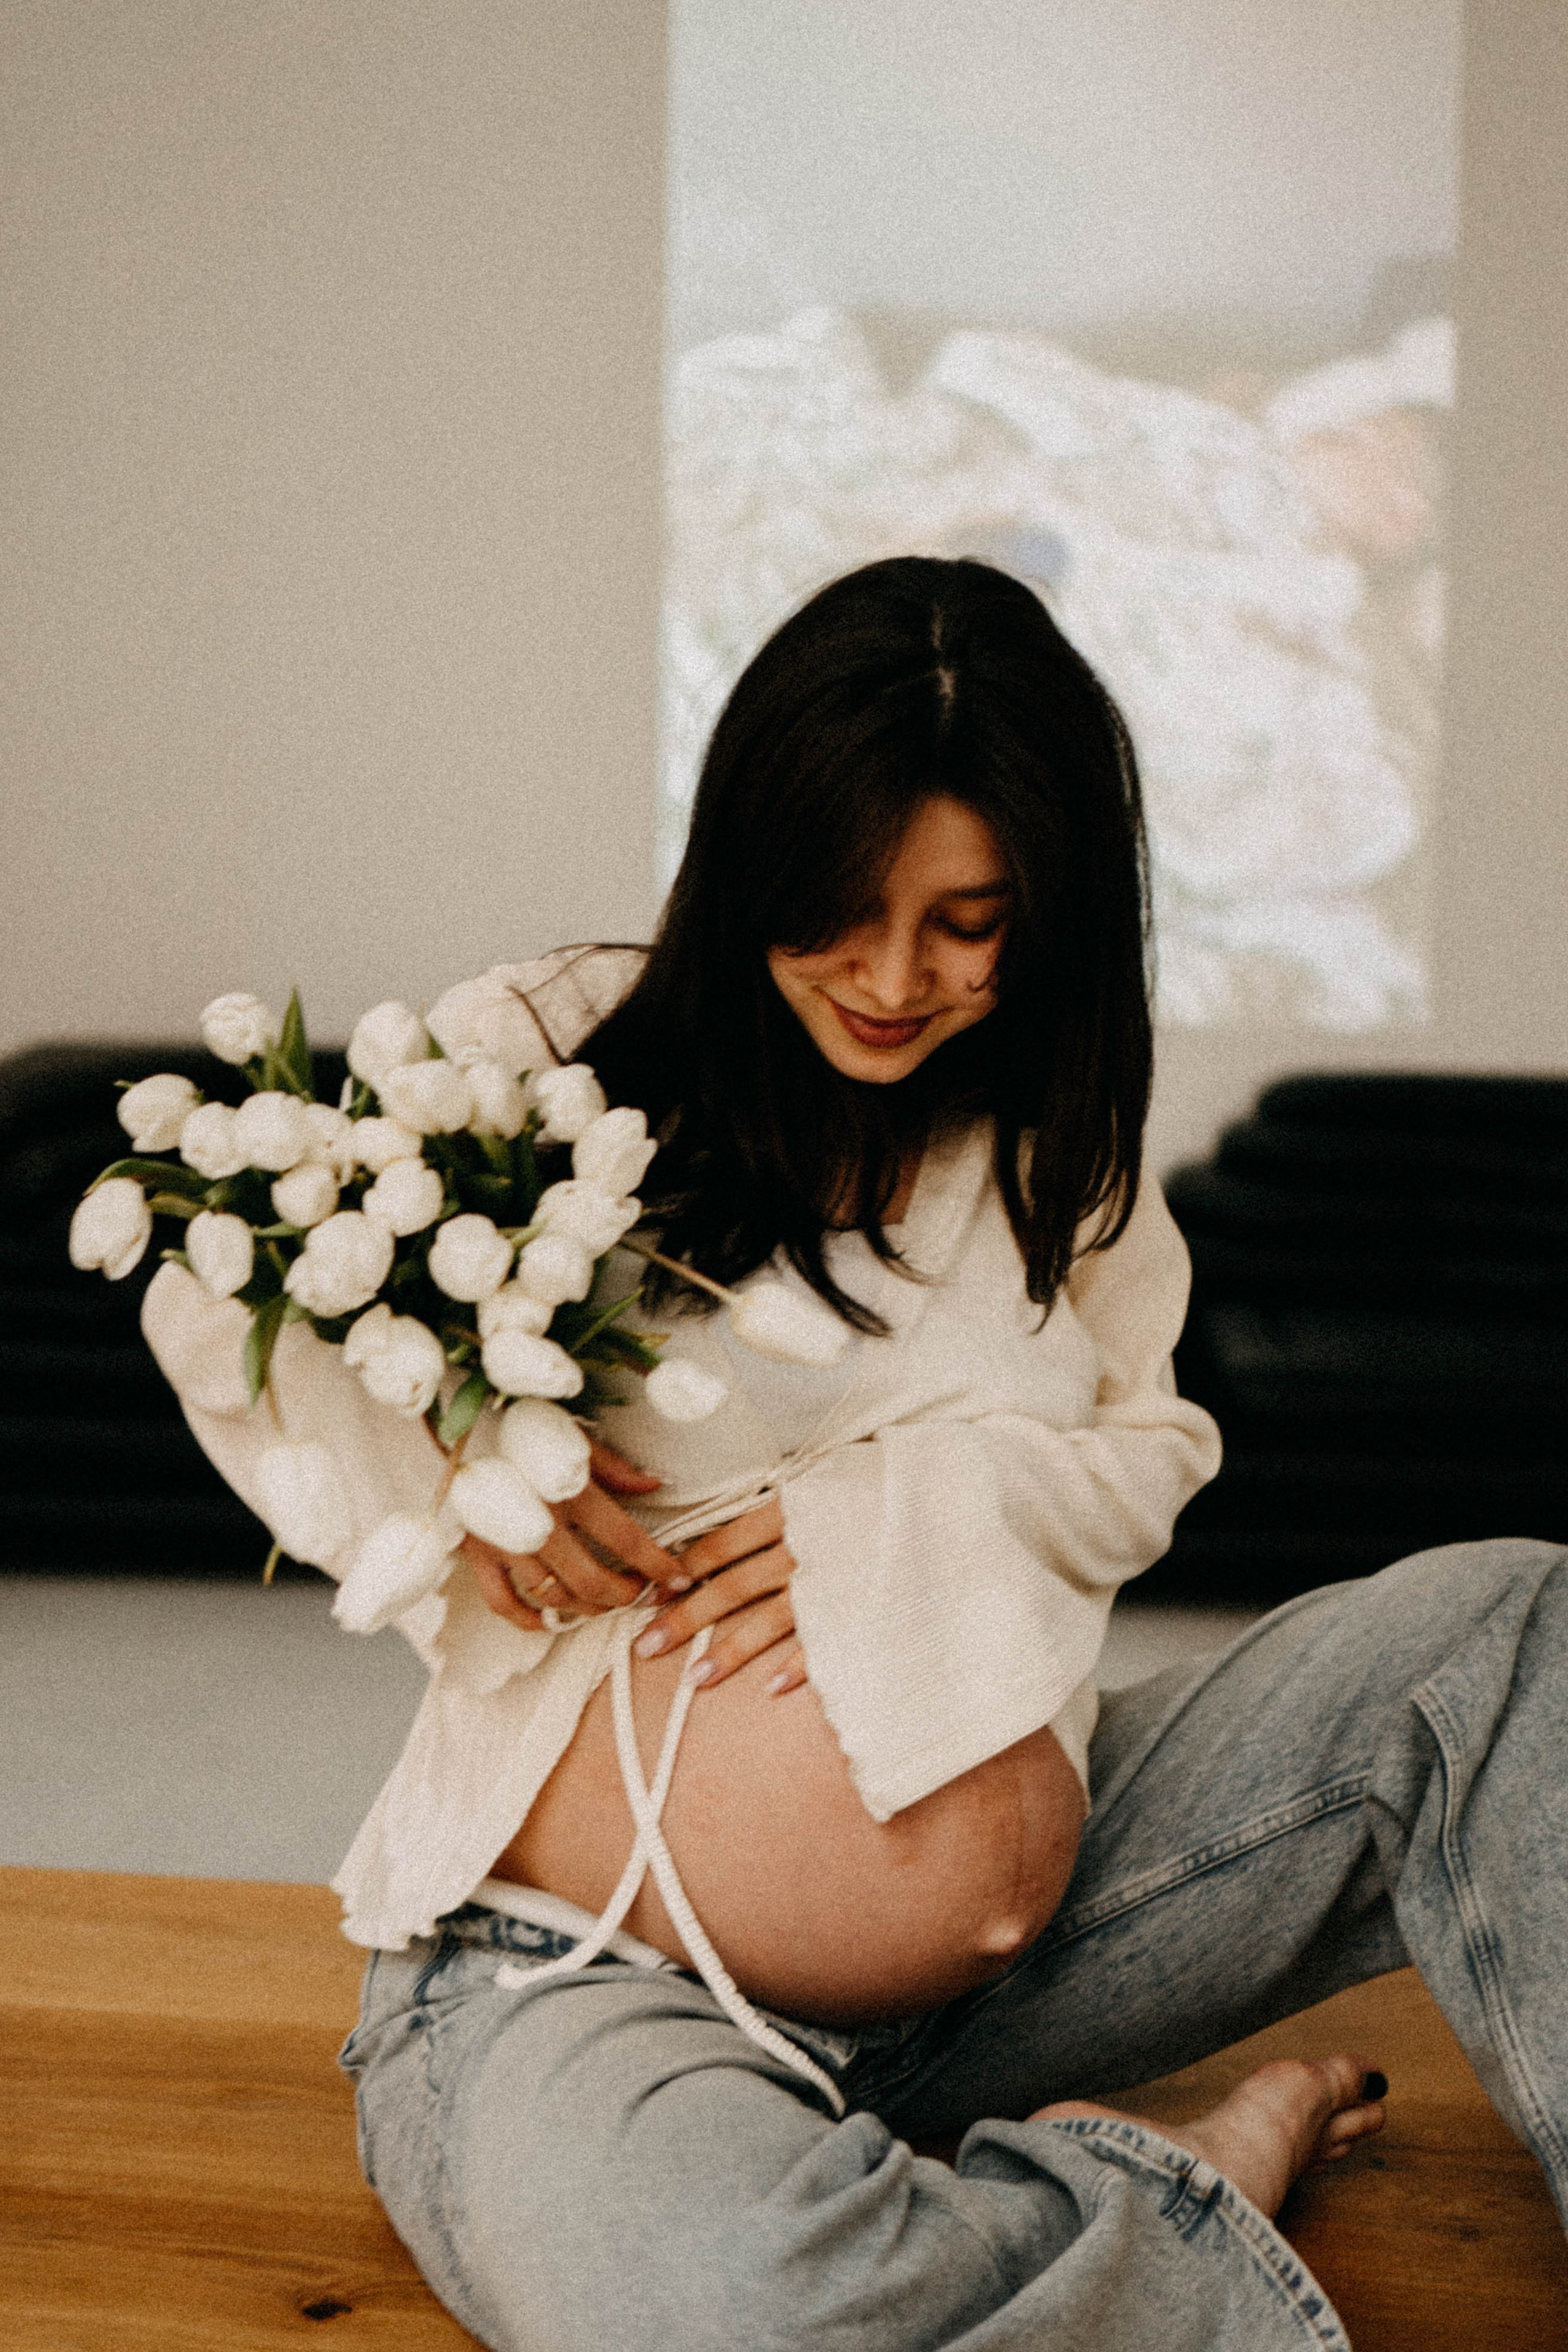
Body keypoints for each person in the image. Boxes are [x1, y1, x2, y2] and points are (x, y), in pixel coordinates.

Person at [145, 559, 1568, 2351]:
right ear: (752, 857)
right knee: (729, 2302)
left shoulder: (1062, 1162)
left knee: (1512, 1631)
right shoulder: (549, 1050)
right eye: (838, 907)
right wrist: (453, 1472)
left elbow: (1152, 1454)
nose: (896, 979)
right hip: (590, 1976)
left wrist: (900, 1500)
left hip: (1036, 1954)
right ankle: (1145, 2190)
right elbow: (223, 1303)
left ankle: (968, 2191)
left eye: (969, 922)